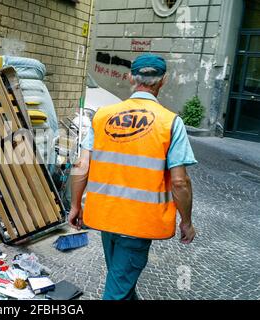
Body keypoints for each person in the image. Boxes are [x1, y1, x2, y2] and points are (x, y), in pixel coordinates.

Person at [69, 54, 197, 300]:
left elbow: (82, 164)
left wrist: (76, 205)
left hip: (106, 217)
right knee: (118, 289)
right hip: (139, 223)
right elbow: (180, 181)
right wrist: (186, 222)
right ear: (164, 81)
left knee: (121, 280)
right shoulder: (170, 122)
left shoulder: (102, 115)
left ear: (129, 78)